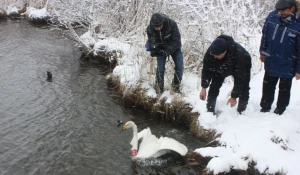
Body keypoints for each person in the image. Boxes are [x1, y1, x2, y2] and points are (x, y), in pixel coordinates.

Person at [259, 0, 300, 115]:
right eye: (278, 10)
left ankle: (280, 110)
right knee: (268, 85)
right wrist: (262, 51)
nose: (280, 12)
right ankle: (265, 108)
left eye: (283, 10)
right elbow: (265, 34)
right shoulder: (272, 16)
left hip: (288, 62)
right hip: (271, 58)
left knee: (284, 89)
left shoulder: (298, 23)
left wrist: (298, 70)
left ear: (291, 8)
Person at [199, 35, 252, 114]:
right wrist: (204, 87)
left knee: (244, 87)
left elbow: (240, 79)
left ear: (225, 51)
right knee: (214, 85)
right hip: (220, 66)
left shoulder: (240, 56)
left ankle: (241, 111)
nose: (215, 57)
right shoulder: (211, 53)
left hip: (242, 64)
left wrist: (234, 96)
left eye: (217, 55)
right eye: (214, 55)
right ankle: (210, 111)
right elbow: (206, 70)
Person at [146, 13, 184, 94]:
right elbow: (152, 41)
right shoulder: (150, 29)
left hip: (174, 47)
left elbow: (176, 42)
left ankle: (175, 87)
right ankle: (159, 88)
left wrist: (166, 51)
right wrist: (153, 49)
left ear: (163, 23)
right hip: (161, 48)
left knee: (179, 66)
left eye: (160, 26)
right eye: (156, 27)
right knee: (160, 69)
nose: (158, 28)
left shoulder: (172, 24)